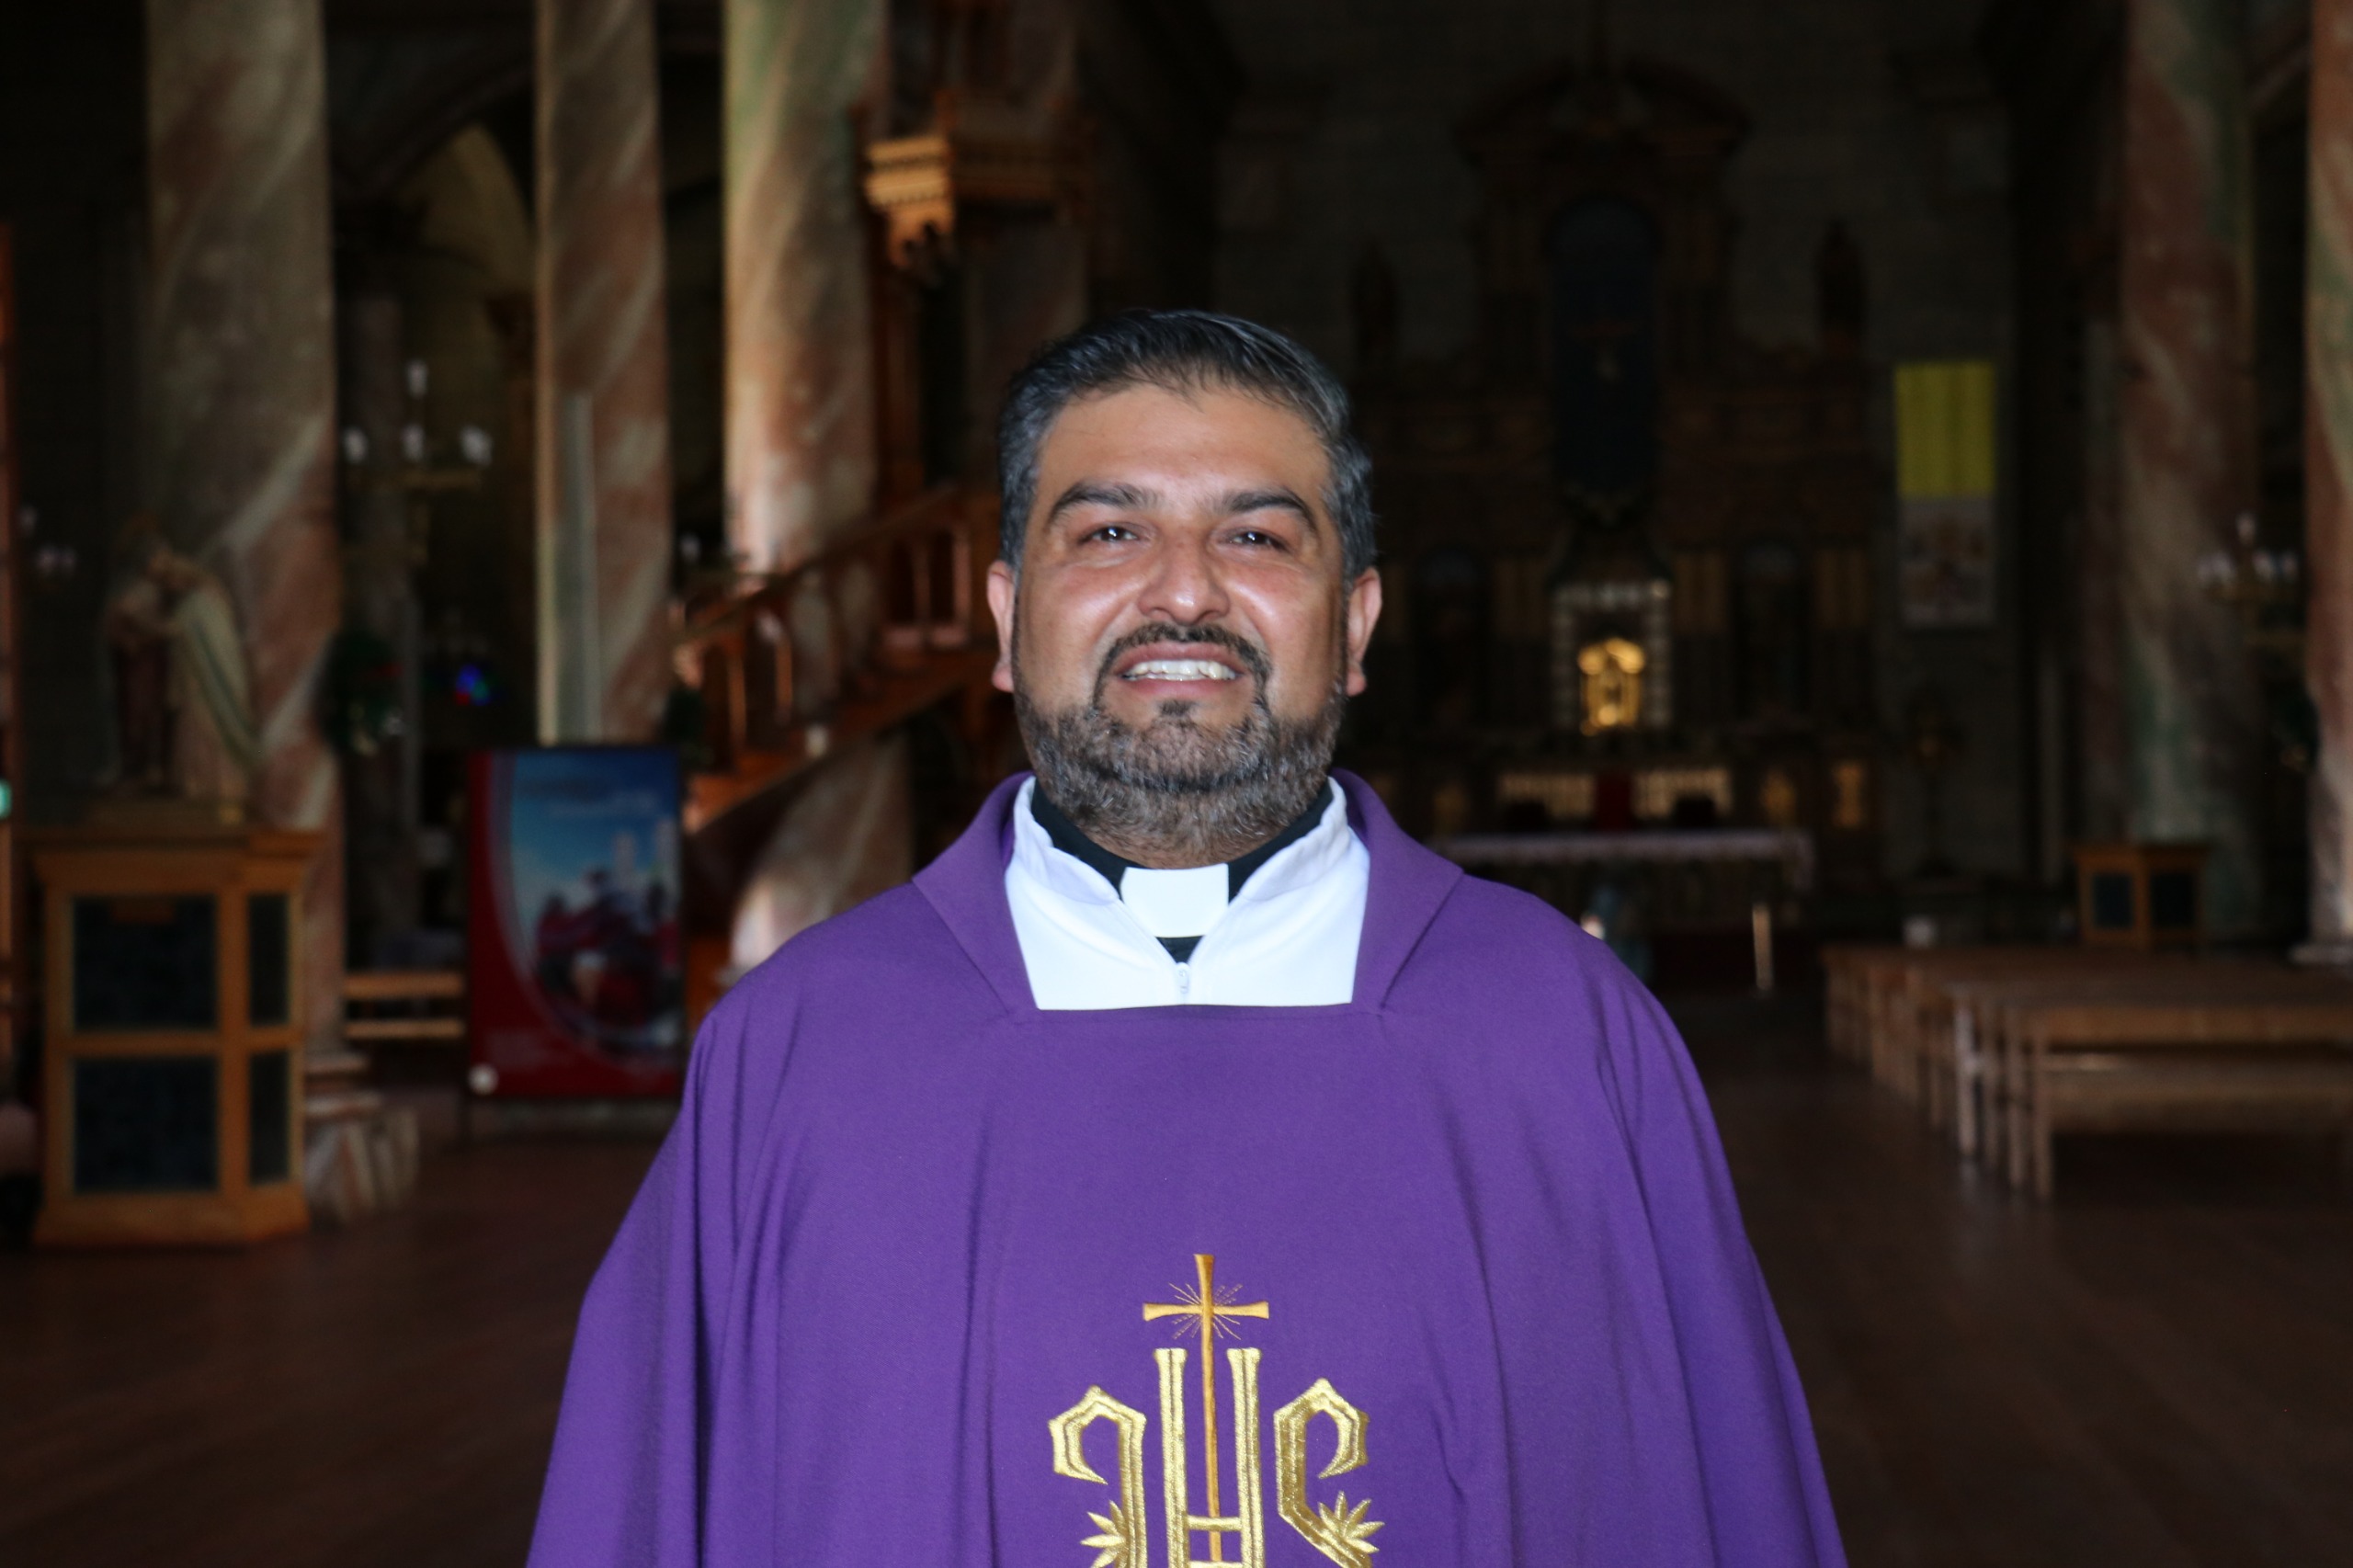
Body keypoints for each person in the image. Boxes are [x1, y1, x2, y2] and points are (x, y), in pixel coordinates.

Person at [529, 311, 1846, 1567]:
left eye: (1260, 539)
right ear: (1003, 618)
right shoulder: (800, 1052)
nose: (1184, 593)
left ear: (1359, 625)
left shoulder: (1563, 1031)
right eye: (1108, 530)